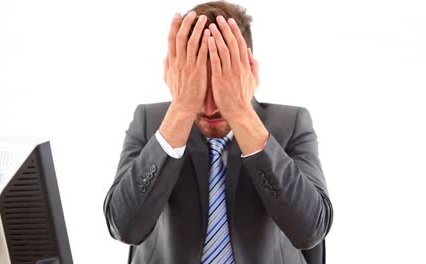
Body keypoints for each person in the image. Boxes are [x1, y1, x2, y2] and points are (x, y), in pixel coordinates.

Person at [103, 1, 333, 263]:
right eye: (198, 85)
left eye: (221, 85)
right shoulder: (150, 121)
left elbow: (310, 230)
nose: (210, 108)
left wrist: (240, 112)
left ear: (247, 71)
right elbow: (124, 227)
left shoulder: (291, 123)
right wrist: (181, 109)